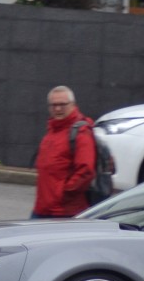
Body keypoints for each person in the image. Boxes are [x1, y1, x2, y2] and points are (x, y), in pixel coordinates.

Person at [33, 85, 96, 217]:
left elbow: (85, 171)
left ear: (73, 105)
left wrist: (62, 193)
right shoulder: (53, 129)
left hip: (63, 212)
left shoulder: (81, 133)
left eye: (62, 104)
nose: (57, 109)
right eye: (53, 105)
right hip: (43, 207)